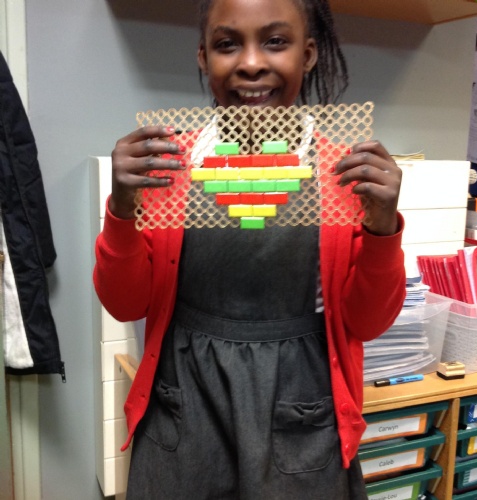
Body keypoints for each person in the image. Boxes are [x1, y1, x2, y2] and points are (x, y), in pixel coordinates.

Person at [93, 0, 406, 498]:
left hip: (300, 408)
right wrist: (122, 209)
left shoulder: (345, 178)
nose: (252, 63)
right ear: (203, 57)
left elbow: (366, 322)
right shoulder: (166, 170)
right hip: (186, 403)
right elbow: (125, 303)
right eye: (227, 44)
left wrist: (383, 230)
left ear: (308, 54)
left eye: (276, 42)